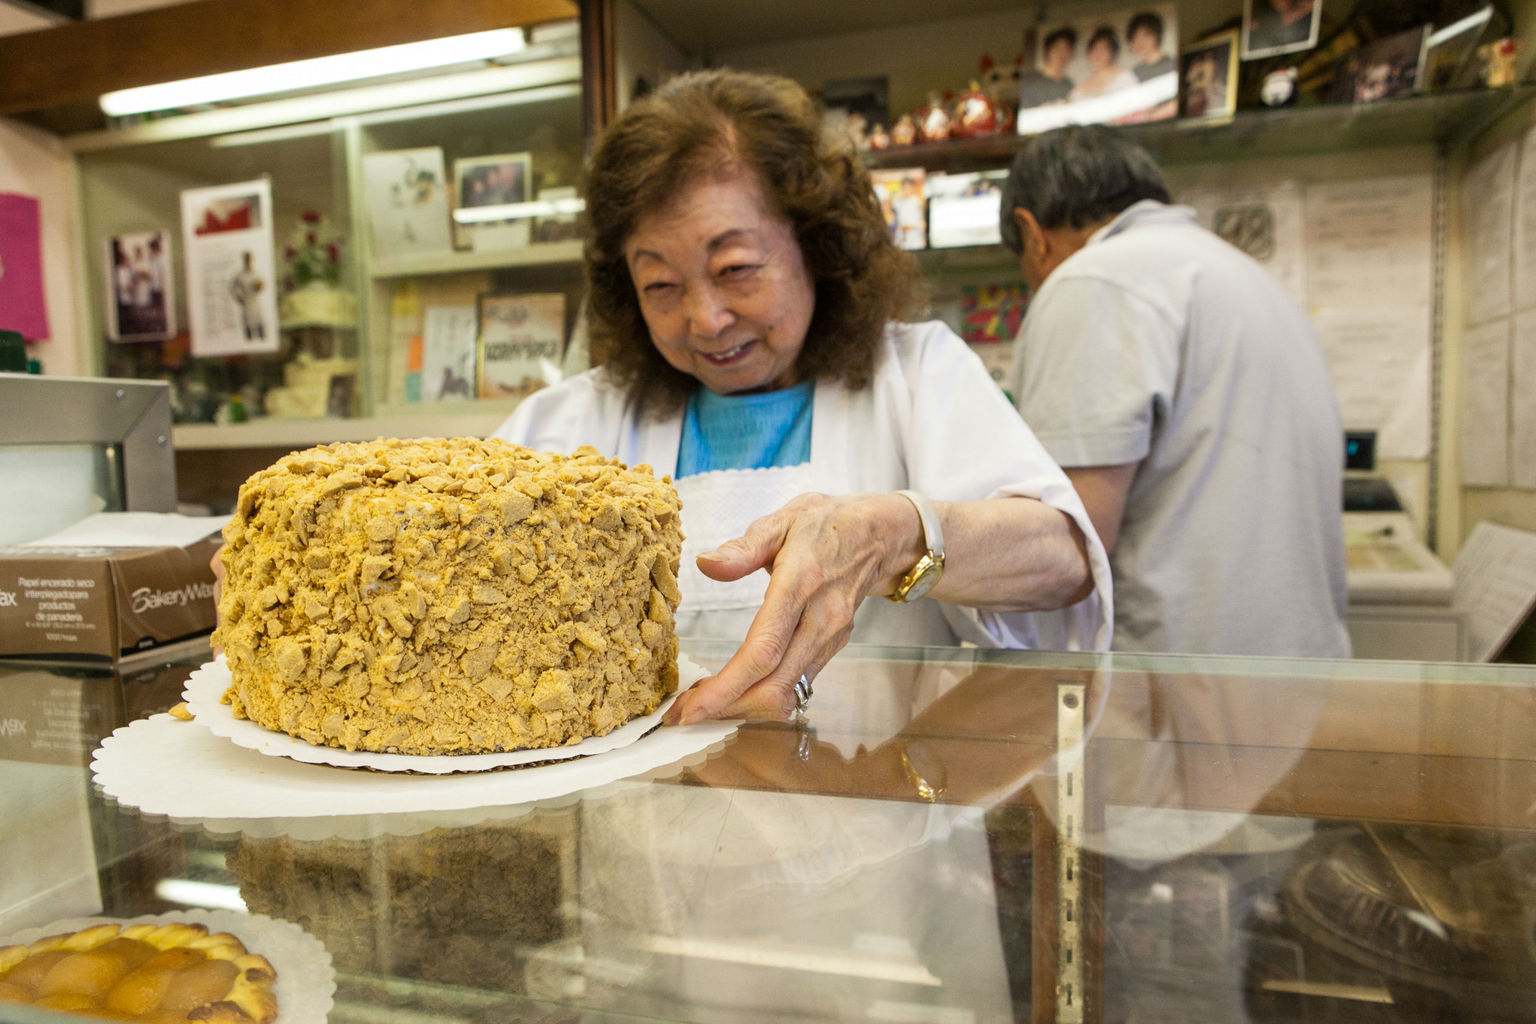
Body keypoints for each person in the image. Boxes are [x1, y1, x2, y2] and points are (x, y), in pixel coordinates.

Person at [495, 69, 1112, 725]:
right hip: (641, 813)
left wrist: (897, 535)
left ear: (818, 248)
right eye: (661, 286)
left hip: (881, 798)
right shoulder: (568, 422)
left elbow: (1065, 564)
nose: (706, 319)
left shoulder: (915, 373)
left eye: (735, 270)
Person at [999, 124, 1349, 657]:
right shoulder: (1247, 277)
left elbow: (1067, 548)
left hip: (1182, 693)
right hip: (1301, 670)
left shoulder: (1092, 280)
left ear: (1032, 234)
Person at [1068, 26, 1138, 101]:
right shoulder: (1080, 87)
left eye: (1104, 49)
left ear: (1113, 54)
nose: (1098, 54)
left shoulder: (1124, 77)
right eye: (1094, 48)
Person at [1016, 26, 1076, 109]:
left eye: (1066, 49)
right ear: (1048, 51)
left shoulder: (1069, 85)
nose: (1062, 53)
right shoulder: (1029, 80)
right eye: (1057, 48)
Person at [1126, 11, 1175, 80]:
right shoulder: (1134, 73)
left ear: (1157, 36)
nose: (1139, 42)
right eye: (1134, 37)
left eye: (1145, 35)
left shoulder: (1173, 65)